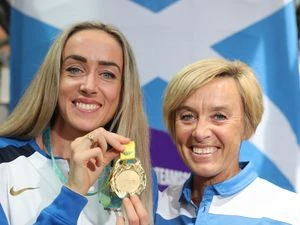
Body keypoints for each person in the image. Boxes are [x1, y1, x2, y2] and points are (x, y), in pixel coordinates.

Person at [0, 21, 156, 225]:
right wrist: (72, 193)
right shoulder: (4, 160)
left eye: (107, 74)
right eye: (75, 69)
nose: (89, 86)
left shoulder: (136, 177)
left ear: (123, 91)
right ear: (54, 79)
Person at [155, 58, 300, 224]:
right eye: (187, 116)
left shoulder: (290, 214)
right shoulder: (153, 208)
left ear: (248, 126)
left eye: (219, 116)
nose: (200, 132)